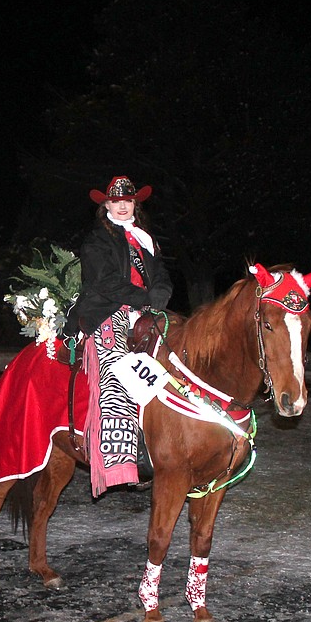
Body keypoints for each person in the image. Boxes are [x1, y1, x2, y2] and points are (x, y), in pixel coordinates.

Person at [63, 175, 173, 497]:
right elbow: (105, 283)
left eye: (128, 201)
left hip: (145, 310)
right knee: (119, 375)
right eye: (116, 201)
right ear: (106, 205)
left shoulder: (146, 239)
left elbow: (162, 275)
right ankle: (124, 459)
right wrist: (145, 299)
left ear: (134, 205)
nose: (123, 206)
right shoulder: (98, 240)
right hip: (106, 311)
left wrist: (161, 295)